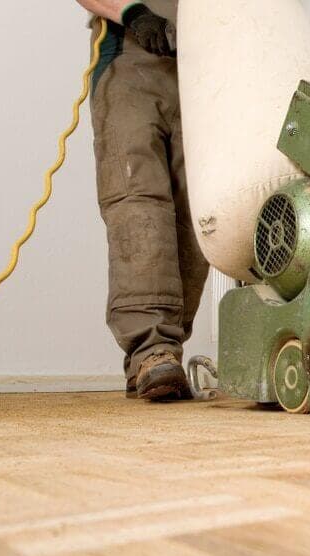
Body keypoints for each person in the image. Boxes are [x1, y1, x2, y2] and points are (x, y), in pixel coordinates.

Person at [76, 0, 209, 401]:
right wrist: (133, 13)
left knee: (199, 206)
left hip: (205, 63)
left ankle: (163, 351)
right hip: (130, 56)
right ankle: (151, 349)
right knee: (139, 201)